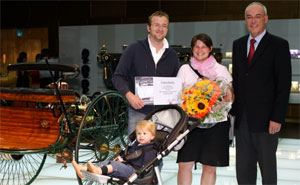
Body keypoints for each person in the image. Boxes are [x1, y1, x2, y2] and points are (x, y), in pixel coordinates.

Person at [231, 2, 291, 185]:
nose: (253, 21)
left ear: (266, 19)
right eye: (249, 17)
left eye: (257, 16)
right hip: (243, 120)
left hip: (267, 121)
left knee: (268, 170)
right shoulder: (238, 45)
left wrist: (277, 117)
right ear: (245, 20)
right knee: (243, 169)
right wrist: (233, 111)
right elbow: (238, 80)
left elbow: (283, 85)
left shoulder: (278, 45)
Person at [176, 33, 233, 185]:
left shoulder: (221, 70)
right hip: (190, 124)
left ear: (210, 49)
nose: (200, 50)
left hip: (216, 124)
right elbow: (177, 96)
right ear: (192, 49)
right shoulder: (184, 69)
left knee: (209, 167)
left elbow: (230, 97)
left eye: (203, 47)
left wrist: (218, 105)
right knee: (184, 164)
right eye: (196, 47)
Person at [112, 11, 179, 137]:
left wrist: (174, 97)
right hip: (139, 112)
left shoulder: (173, 56)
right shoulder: (133, 49)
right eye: (156, 25)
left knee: (159, 152)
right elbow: (118, 77)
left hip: (163, 114)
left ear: (167, 29)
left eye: (164, 26)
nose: (160, 29)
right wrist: (129, 95)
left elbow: (175, 83)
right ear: (149, 28)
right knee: (135, 151)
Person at [72, 120, 157, 179]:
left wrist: (137, 174)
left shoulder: (150, 150)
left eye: (144, 133)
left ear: (152, 136)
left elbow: (146, 166)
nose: (141, 136)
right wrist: (122, 158)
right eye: (139, 133)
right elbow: (129, 154)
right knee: (109, 162)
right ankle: (83, 169)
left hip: (135, 171)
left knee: (115, 166)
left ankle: (97, 170)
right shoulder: (136, 144)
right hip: (128, 165)